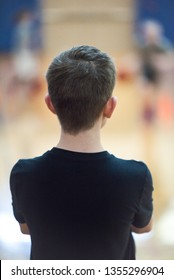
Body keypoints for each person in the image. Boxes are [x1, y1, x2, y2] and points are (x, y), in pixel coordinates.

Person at [10, 45, 153, 260]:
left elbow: (27, 227)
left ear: (51, 104)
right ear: (110, 107)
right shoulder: (135, 176)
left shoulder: (24, 174)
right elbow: (143, 227)